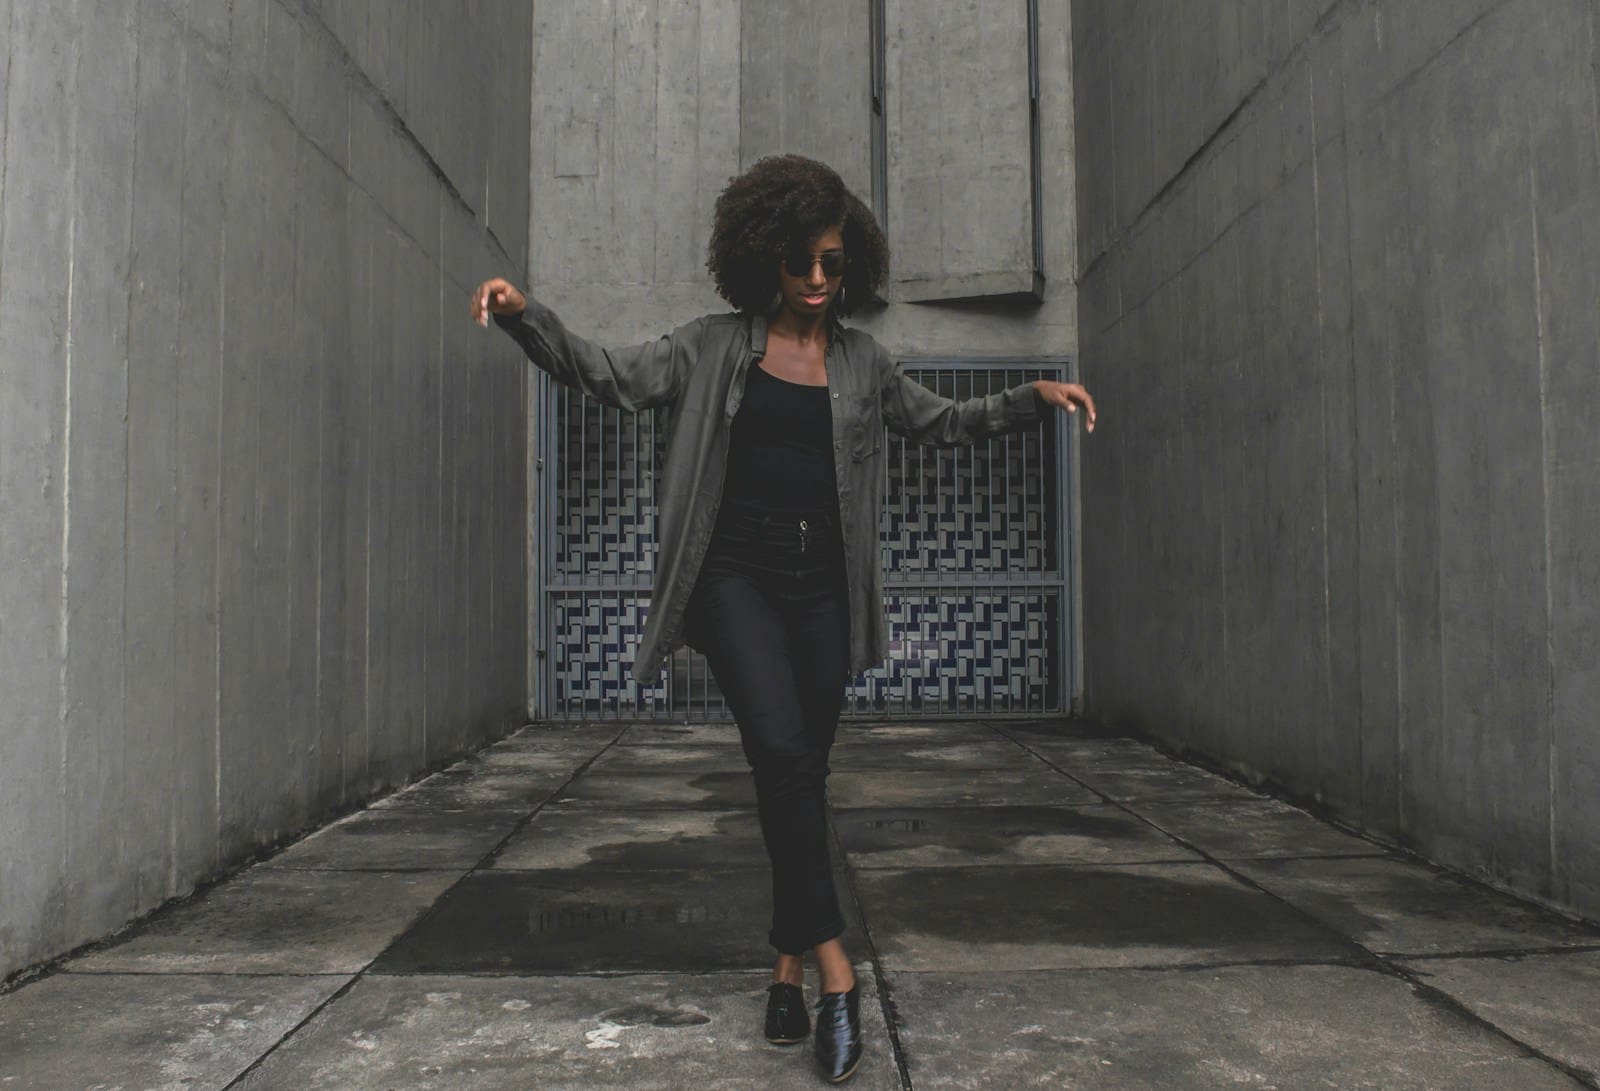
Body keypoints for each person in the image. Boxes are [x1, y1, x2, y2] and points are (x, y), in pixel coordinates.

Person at [471, 154, 1095, 1084]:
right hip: (733, 580)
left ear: (853, 268)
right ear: (765, 258)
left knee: (800, 770)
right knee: (778, 750)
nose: (815, 280)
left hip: (823, 594)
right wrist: (528, 320)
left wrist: (1027, 398)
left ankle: (784, 967)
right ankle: (840, 977)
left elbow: (937, 424)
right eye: (800, 261)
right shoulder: (712, 345)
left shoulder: (861, 362)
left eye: (832, 264)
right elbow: (609, 376)